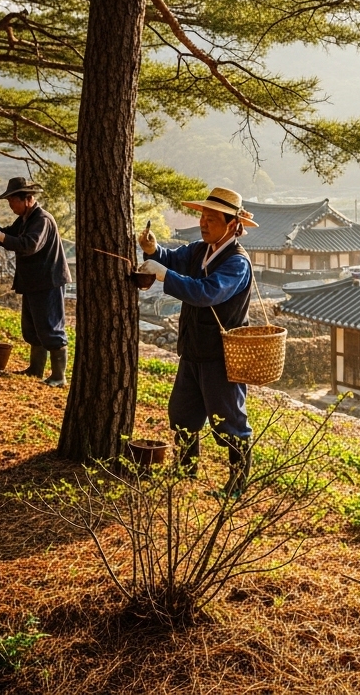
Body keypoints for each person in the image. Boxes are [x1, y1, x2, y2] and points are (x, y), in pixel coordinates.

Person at [136, 187, 258, 494]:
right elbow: (170, 258)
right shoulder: (198, 250)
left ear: (232, 225)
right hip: (192, 349)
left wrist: (164, 274)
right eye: (203, 216)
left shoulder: (237, 263)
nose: (203, 223)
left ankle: (237, 485)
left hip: (221, 356)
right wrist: (153, 249)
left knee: (229, 422)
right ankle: (185, 470)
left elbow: (206, 293)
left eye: (212, 219)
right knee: (182, 414)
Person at [0, 177, 71, 386]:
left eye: (13, 201)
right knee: (33, 328)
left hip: (48, 281)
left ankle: (59, 377)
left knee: (51, 328)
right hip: (33, 281)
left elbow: (29, 245)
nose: (11, 205)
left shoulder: (42, 219)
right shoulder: (25, 219)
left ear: (28, 199)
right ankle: (35, 369)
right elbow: (10, 235)